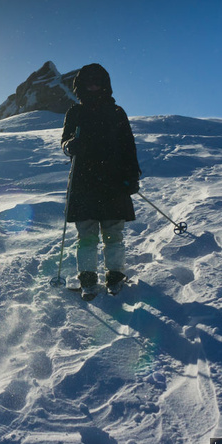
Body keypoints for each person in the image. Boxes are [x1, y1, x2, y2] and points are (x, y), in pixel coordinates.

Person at [61, 63, 141, 292]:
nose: (93, 85)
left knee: (113, 233)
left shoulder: (117, 112)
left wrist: (132, 176)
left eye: (98, 81)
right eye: (88, 81)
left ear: (105, 84)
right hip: (84, 181)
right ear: (80, 85)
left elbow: (128, 146)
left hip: (114, 180)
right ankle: (87, 276)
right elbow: (64, 141)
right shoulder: (75, 112)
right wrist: (69, 145)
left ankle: (115, 274)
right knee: (86, 234)